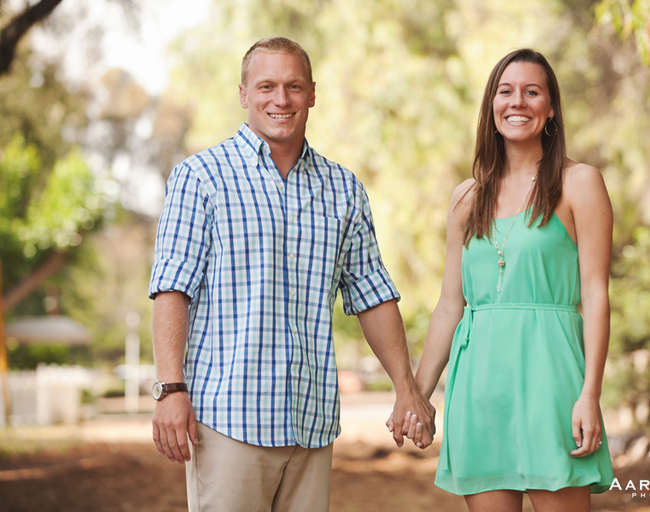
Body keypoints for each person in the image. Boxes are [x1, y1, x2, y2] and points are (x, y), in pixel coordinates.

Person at [148, 35, 435, 512]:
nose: (280, 100)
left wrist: (406, 388)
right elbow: (171, 290)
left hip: (311, 422)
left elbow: (372, 294)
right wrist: (170, 389)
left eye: (293, 86)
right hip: (227, 418)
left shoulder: (343, 189)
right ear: (244, 94)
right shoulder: (200, 177)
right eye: (266, 86)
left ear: (312, 93)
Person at [394, 48, 614, 511]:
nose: (518, 102)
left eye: (532, 92)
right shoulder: (465, 198)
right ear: (491, 106)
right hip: (480, 389)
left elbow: (595, 295)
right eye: (506, 91)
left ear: (551, 107)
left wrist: (590, 394)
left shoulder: (580, 183)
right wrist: (416, 396)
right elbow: (450, 306)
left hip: (553, 382)